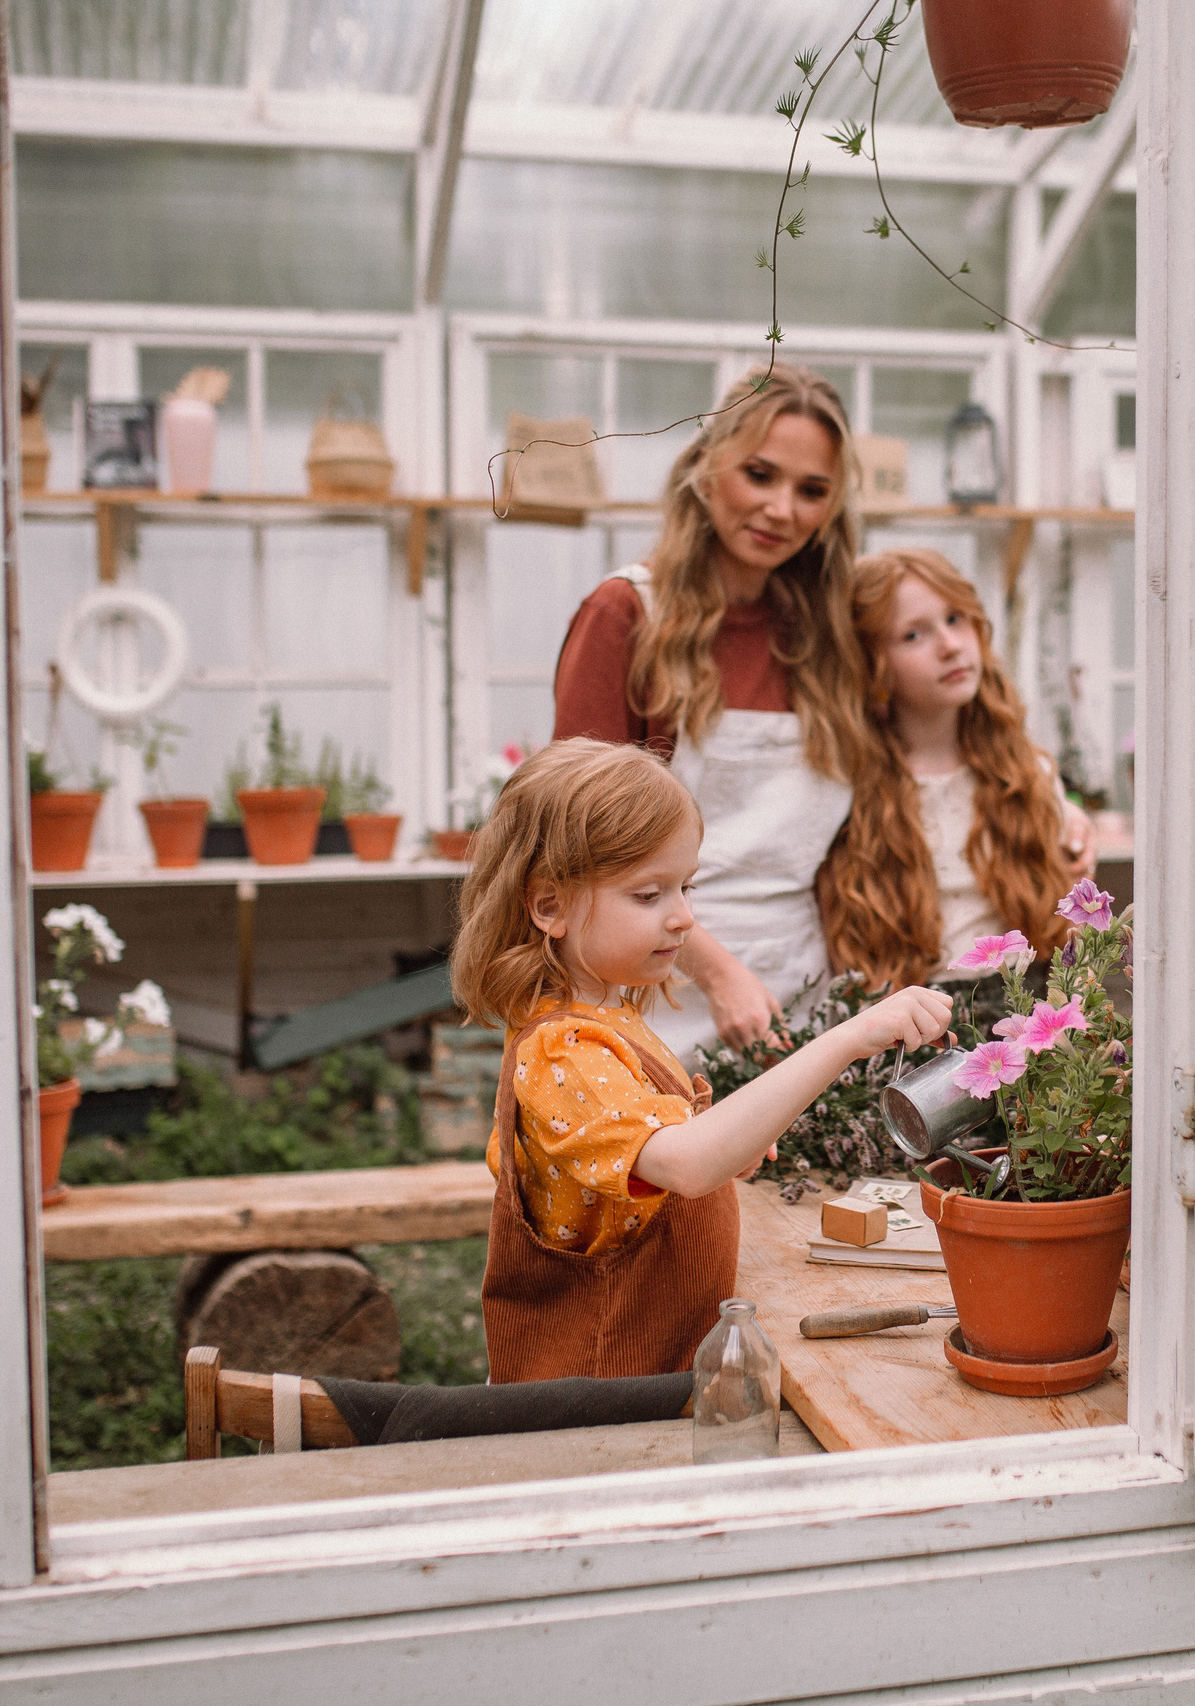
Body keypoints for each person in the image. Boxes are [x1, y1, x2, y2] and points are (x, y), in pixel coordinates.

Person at [451, 738, 951, 1382]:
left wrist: (729, 1142)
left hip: (654, 1374)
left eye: (685, 887)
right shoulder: (562, 1051)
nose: (684, 918)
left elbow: (672, 1163)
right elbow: (686, 1164)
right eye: (648, 895)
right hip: (595, 1398)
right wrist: (850, 1037)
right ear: (549, 905)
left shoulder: (611, 1022)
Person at [550, 364, 878, 1060]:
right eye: (760, 474)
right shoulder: (626, 616)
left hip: (798, 996)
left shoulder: (829, 637)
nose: (782, 509)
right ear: (705, 466)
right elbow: (571, 843)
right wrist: (720, 972)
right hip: (648, 998)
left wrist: (1053, 805)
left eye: (812, 490)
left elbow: (946, 733)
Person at [816, 548, 1079, 997]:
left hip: (1025, 1015)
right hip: (907, 1024)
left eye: (956, 619)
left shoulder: (1025, 772)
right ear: (872, 663)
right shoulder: (846, 790)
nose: (951, 646)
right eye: (914, 635)